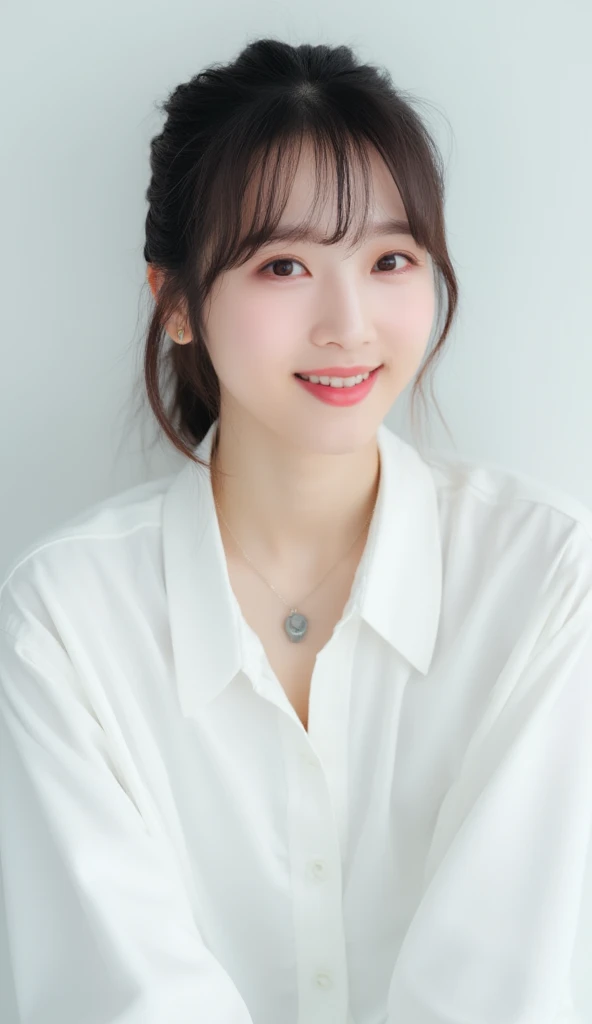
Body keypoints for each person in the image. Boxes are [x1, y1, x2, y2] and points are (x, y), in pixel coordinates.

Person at [1, 36, 591, 1024]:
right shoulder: (66, 620)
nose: (348, 322)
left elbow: (502, 987)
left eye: (390, 259)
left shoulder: (538, 574)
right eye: (283, 266)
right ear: (179, 303)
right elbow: (119, 996)